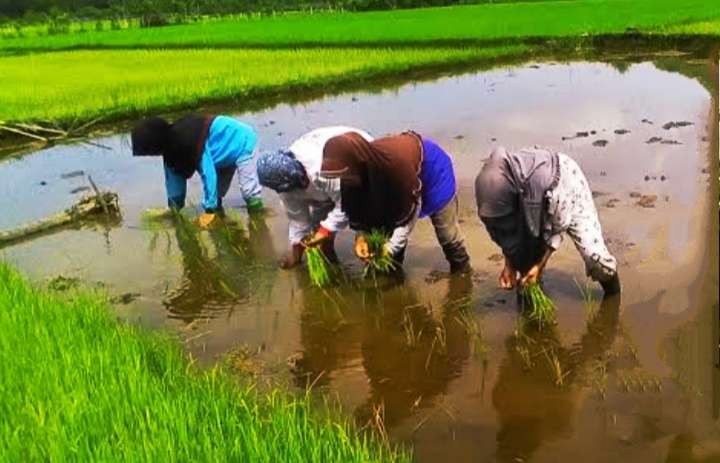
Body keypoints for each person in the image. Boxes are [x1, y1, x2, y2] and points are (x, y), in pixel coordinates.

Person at [318, 131, 471, 274]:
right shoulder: (351, 175)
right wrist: (361, 238)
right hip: (403, 178)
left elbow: (408, 216)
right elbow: (361, 213)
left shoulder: (394, 170)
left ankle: (462, 270)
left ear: (357, 162)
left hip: (432, 171)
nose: (343, 179)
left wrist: (390, 248)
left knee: (446, 232)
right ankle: (393, 273)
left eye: (344, 174)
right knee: (387, 228)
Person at [474, 146, 620, 295]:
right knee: (525, 258)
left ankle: (613, 300)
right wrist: (509, 264)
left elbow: (557, 229)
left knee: (596, 258)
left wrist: (540, 264)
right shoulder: (492, 190)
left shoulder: (544, 182)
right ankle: (530, 295)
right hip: (529, 198)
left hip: (565, 185)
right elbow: (507, 236)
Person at [256, 126, 373, 268]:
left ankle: (373, 254)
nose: (302, 184)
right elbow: (298, 221)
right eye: (296, 186)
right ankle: (328, 251)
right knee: (319, 230)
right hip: (328, 182)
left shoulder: (322, 169)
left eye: (302, 179)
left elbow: (346, 204)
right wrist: (296, 253)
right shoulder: (285, 189)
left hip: (360, 157)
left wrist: (325, 231)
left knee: (367, 216)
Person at [131, 114, 263, 228]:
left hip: (242, 141)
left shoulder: (188, 139)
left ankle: (259, 222)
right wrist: (174, 209)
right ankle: (221, 220)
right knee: (217, 195)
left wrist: (209, 211)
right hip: (219, 153)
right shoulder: (171, 149)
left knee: (249, 191)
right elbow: (174, 179)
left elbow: (208, 172)